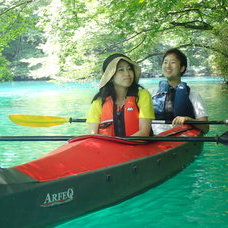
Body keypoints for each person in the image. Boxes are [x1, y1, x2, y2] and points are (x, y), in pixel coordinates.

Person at [86, 53, 155, 137]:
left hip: (138, 146)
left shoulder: (143, 95)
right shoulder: (99, 101)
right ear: (110, 77)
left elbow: (144, 132)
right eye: (121, 70)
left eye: (129, 69)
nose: (127, 73)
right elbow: (92, 134)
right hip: (108, 147)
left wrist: (121, 146)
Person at [151, 48, 209, 135]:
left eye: (173, 62)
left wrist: (189, 120)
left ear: (182, 68)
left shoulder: (193, 95)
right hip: (154, 139)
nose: (168, 66)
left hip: (181, 138)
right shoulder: (152, 93)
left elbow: (205, 128)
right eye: (165, 62)